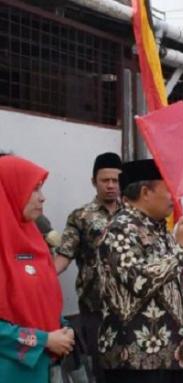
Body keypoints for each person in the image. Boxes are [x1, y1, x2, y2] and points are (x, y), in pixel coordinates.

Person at [96, 159, 183, 383]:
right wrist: (181, 250)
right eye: (168, 189)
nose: (174, 196)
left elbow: (176, 286)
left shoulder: (161, 230)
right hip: (136, 359)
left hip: (172, 355)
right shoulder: (120, 229)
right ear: (145, 192)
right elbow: (139, 282)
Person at [0, 154, 75, 382]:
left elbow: (44, 298)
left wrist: (64, 328)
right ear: (9, 191)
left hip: (45, 367)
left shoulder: (34, 240)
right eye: (34, 189)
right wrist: (44, 340)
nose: (42, 198)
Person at [55, 151, 123, 383]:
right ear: (94, 182)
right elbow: (64, 255)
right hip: (96, 308)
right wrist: (41, 277)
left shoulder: (134, 215)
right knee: (101, 369)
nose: (111, 186)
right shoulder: (80, 217)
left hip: (131, 308)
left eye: (116, 180)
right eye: (105, 180)